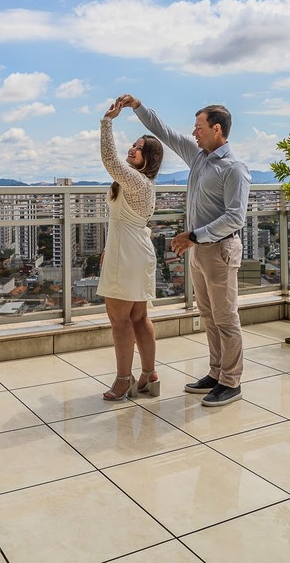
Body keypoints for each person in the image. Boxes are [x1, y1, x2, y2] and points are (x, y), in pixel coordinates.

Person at [117, 95, 251, 407]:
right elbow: (164, 132)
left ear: (216, 129)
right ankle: (216, 373)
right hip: (200, 251)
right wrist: (138, 106)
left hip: (220, 249)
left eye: (198, 126)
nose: (193, 132)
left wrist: (194, 234)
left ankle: (231, 382)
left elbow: (235, 217)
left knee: (226, 318)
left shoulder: (234, 168)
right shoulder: (198, 157)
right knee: (209, 315)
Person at [97, 99, 165, 401]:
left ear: (147, 157)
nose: (130, 150)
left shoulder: (136, 182)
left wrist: (107, 122)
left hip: (126, 253)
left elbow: (110, 160)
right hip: (134, 250)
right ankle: (149, 374)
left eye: (137, 148)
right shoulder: (144, 184)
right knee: (139, 317)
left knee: (120, 321)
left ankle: (123, 379)